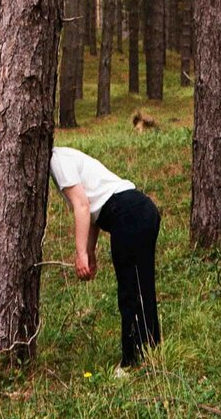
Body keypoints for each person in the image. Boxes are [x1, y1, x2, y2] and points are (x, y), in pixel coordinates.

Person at [49, 145, 161, 369]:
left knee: (130, 289)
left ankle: (131, 362)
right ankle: (151, 350)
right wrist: (90, 251)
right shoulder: (66, 157)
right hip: (142, 209)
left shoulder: (57, 161)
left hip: (129, 213)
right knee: (141, 285)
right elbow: (94, 212)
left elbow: (82, 206)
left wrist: (80, 253)